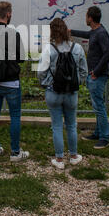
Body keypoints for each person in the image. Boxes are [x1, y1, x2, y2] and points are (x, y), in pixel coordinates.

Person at [0, 1, 29, 162]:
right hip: (11, 83)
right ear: (8, 14)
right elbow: (21, 59)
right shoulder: (13, 33)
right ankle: (15, 153)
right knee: (15, 116)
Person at [37, 18, 88, 169]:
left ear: (52, 32)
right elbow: (84, 71)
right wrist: (76, 83)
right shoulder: (77, 48)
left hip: (53, 92)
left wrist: (47, 83)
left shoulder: (48, 49)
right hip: (71, 93)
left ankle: (59, 160)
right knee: (72, 125)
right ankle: (73, 156)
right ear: (66, 30)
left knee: (57, 126)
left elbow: (40, 72)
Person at [70, 6, 109, 149]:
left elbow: (108, 53)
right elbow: (87, 35)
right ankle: (98, 132)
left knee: (99, 107)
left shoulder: (101, 33)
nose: (85, 18)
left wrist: (96, 72)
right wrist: (71, 32)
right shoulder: (95, 32)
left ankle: (104, 137)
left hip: (97, 76)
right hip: (95, 75)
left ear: (90, 18)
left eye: (87, 16)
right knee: (97, 106)